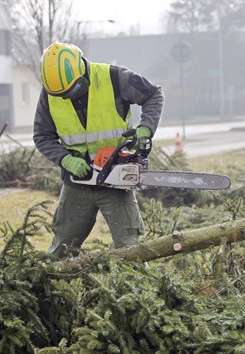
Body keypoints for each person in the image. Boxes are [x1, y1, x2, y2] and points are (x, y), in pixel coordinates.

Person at [33, 42, 164, 258]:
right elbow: (42, 136)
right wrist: (65, 159)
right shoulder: (50, 94)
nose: (67, 96)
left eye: (72, 89)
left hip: (115, 177)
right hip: (77, 182)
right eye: (61, 93)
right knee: (61, 250)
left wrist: (145, 129)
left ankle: (133, 288)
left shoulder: (114, 78)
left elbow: (153, 95)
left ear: (82, 68)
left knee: (129, 248)